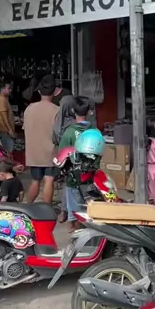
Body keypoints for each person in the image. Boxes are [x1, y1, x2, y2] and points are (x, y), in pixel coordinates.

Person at [23, 74, 59, 204]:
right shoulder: (57, 110)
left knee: (35, 181)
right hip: (51, 151)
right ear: (55, 92)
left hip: (34, 152)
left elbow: (26, 128)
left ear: (39, 91)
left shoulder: (29, 109)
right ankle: (47, 209)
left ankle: (27, 206)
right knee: (49, 180)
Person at [57, 96, 92, 231]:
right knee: (88, 198)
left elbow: (61, 156)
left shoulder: (69, 132)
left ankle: (75, 226)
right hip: (91, 172)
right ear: (89, 112)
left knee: (74, 199)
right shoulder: (94, 130)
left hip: (74, 174)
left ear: (72, 111)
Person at [0, 80, 16, 154]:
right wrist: (9, 129)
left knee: (8, 151)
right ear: (2, 89)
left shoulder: (3, 99)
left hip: (4, 130)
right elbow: (4, 116)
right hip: (5, 130)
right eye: (9, 88)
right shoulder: (1, 100)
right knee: (8, 151)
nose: (10, 90)